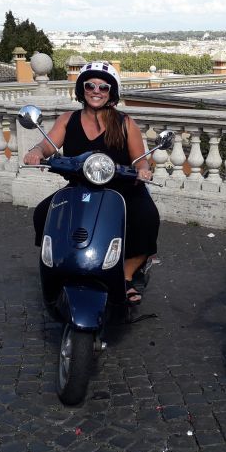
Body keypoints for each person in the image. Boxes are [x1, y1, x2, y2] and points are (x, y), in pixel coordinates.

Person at [24, 61, 158, 305]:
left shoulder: (125, 122)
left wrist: (143, 170)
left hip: (121, 189)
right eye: (90, 85)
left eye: (103, 87)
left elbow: (141, 159)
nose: (96, 91)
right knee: (44, 213)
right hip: (80, 187)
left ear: (111, 92)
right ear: (81, 89)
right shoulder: (68, 119)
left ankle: (126, 276)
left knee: (146, 217)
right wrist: (36, 152)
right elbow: (48, 145)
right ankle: (57, 265)